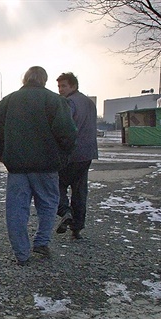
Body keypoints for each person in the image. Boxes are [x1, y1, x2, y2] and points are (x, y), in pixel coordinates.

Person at [0, 66, 77, 265]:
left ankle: (21, 253)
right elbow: (68, 134)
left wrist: (2, 154)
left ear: (25, 79)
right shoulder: (56, 101)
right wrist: (62, 157)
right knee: (47, 204)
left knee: (16, 210)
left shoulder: (7, 101)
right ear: (44, 80)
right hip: (46, 166)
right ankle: (41, 242)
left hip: (17, 167)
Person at [55, 72, 99, 239]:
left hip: (71, 153)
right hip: (87, 153)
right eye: (59, 86)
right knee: (80, 190)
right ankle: (77, 227)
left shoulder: (68, 103)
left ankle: (65, 212)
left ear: (73, 86)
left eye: (63, 86)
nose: (60, 90)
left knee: (57, 184)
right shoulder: (89, 103)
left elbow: (65, 127)